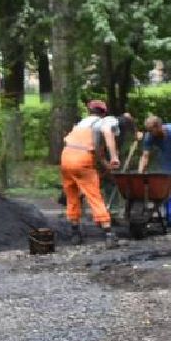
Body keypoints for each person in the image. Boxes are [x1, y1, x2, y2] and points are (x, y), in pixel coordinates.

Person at [60, 100, 120, 240]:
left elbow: (96, 151)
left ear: (89, 111)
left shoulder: (81, 124)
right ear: (104, 113)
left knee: (72, 195)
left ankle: (75, 233)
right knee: (94, 195)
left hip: (66, 158)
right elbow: (108, 132)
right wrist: (114, 157)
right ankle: (108, 233)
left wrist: (105, 165)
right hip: (82, 160)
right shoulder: (105, 121)